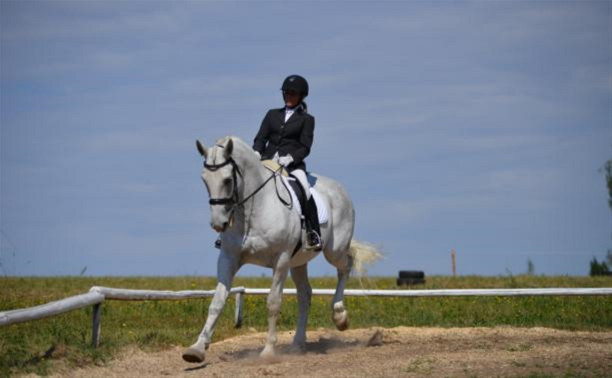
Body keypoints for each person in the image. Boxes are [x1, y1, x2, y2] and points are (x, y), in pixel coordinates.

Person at [253, 74, 322, 250]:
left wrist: (290, 158)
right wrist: (256, 152)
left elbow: (305, 146)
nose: (289, 96)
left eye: (293, 94)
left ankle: (313, 233)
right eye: (286, 93)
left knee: (305, 191)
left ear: (301, 96)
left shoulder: (307, 120)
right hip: (267, 162)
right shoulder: (272, 114)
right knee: (242, 186)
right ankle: (228, 233)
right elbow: (261, 138)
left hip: (291, 166)